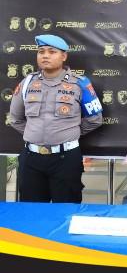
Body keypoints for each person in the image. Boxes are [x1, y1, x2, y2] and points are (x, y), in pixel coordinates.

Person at [9, 34, 103, 202]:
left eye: (52, 52)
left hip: (66, 159)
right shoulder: (27, 83)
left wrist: (68, 133)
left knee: (66, 210)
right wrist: (35, 134)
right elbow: (15, 119)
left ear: (63, 56)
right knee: (32, 212)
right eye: (41, 52)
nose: (45, 56)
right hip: (31, 159)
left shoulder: (80, 84)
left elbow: (95, 119)